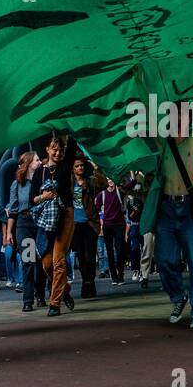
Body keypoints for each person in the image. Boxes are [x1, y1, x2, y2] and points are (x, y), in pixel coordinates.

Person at [148, 53, 193, 328]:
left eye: (185, 116)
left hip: (188, 209)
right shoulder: (163, 143)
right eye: (176, 117)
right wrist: (142, 82)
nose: (180, 121)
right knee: (163, 259)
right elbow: (149, 114)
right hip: (165, 209)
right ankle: (178, 296)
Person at [30, 134, 76, 316]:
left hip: (65, 215)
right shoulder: (40, 172)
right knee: (46, 264)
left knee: (58, 261)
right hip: (47, 220)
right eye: (54, 149)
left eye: (61, 150)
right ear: (47, 150)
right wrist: (44, 196)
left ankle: (54, 304)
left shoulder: (65, 165)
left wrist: (67, 126)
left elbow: (72, 144)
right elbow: (32, 199)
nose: (58, 153)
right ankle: (64, 290)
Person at [6, 151, 43, 311]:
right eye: (36, 160)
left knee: (41, 260)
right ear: (28, 163)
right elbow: (13, 210)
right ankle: (28, 300)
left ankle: (40, 295)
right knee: (28, 261)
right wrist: (8, 232)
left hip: (41, 222)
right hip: (24, 223)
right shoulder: (17, 184)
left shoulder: (43, 182)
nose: (40, 162)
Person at [69, 156, 102, 299]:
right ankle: (87, 282)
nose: (80, 168)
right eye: (77, 166)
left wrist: (96, 168)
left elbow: (104, 184)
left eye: (82, 165)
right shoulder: (69, 183)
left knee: (90, 255)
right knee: (81, 256)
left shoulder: (90, 182)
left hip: (90, 223)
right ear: (73, 168)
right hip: (75, 225)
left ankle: (89, 282)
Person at [97, 177, 128, 286]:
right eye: (108, 178)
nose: (110, 180)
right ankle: (114, 277)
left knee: (120, 249)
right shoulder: (102, 194)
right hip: (107, 225)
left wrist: (134, 173)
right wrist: (100, 223)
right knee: (109, 251)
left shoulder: (119, 192)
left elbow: (130, 185)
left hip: (119, 224)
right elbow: (96, 208)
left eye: (112, 178)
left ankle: (121, 274)